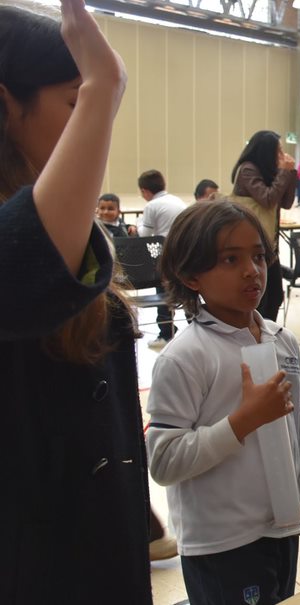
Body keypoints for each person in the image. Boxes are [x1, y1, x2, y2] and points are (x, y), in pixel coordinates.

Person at [0, 1, 152, 601]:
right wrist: (104, 84)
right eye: (75, 102)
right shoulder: (35, 243)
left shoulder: (73, 233)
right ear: (7, 106)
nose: (96, 127)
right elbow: (20, 274)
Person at [147, 201, 300, 605]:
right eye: (231, 259)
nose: (252, 270)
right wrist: (241, 423)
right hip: (221, 544)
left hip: (281, 527)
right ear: (192, 276)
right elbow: (163, 460)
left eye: (258, 256)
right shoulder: (185, 357)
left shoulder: (283, 341)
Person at [230, 130, 297, 323]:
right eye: (278, 151)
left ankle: (268, 336)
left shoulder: (271, 172)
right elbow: (267, 199)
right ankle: (256, 337)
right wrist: (284, 172)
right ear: (266, 152)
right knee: (259, 300)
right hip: (250, 244)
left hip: (269, 246)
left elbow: (286, 203)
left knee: (275, 296)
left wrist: (290, 174)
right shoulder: (247, 170)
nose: (281, 156)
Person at [136, 168, 187, 349]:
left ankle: (165, 334)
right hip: (183, 254)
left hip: (166, 256)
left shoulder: (151, 206)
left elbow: (145, 235)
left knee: (163, 293)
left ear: (145, 191)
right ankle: (195, 328)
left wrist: (138, 223)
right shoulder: (176, 200)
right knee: (186, 292)